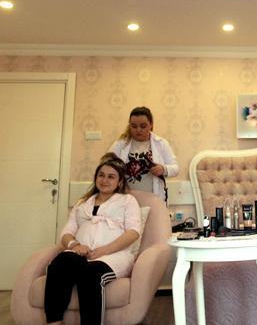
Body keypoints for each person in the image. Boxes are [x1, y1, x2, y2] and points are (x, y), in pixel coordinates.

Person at [44, 153, 141, 325]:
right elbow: (66, 232)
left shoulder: (127, 200)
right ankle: (54, 322)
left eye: (111, 176)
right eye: (101, 175)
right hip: (82, 254)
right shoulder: (82, 203)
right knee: (59, 263)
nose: (104, 180)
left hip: (113, 256)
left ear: (119, 182)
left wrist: (105, 250)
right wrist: (75, 245)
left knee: (90, 274)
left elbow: (133, 232)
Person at [109, 106, 178, 201]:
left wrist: (163, 169)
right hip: (126, 199)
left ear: (151, 125)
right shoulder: (120, 144)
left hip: (153, 198)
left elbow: (175, 168)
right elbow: (107, 166)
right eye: (134, 126)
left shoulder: (161, 143)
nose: (138, 130)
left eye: (143, 126)